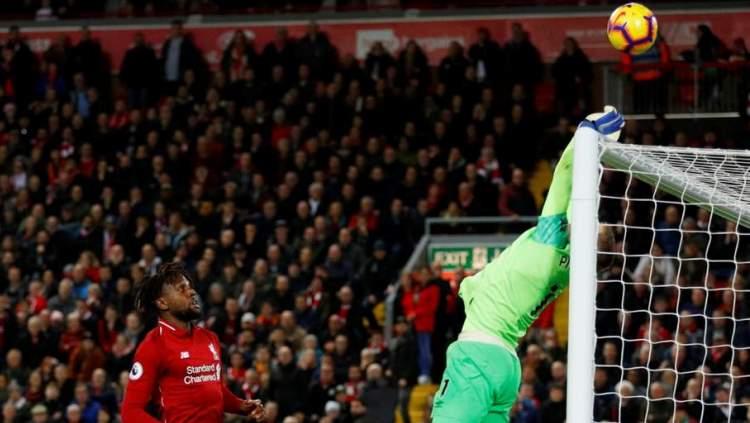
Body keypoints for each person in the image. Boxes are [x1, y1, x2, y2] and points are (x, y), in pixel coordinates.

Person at [431, 107, 624, 423]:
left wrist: (588, 135)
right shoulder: (568, 270)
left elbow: (565, 178)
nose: (593, 217)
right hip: (506, 365)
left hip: (478, 357)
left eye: (594, 224)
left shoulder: (548, 244)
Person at [121, 262, 265, 422]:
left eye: (190, 287)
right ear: (162, 303)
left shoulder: (210, 338)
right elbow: (131, 411)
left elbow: (213, 389)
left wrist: (241, 406)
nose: (192, 292)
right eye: (182, 289)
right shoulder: (153, 346)